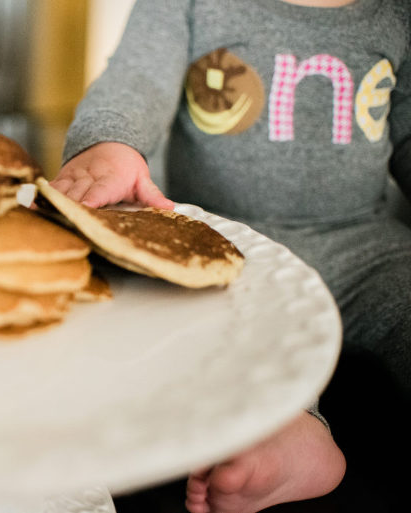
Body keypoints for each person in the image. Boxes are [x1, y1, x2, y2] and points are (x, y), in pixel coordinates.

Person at [51, 0, 411, 511]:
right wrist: (109, 143)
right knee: (230, 331)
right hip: (228, 243)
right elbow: (136, 79)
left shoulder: (398, 15)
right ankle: (291, 436)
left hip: (365, 245)